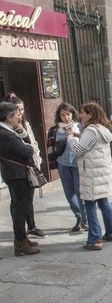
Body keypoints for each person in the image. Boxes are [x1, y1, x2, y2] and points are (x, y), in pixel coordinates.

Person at [68, 102, 112, 250]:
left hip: (92, 175)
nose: (81, 115)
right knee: (104, 202)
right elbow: (91, 145)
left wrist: (71, 139)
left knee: (90, 204)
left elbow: (78, 151)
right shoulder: (101, 129)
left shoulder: (91, 131)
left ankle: (94, 239)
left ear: (91, 114)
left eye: (83, 112)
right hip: (101, 174)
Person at [0, 102, 41, 256]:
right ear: (9, 117)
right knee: (20, 208)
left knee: (18, 206)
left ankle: (22, 238)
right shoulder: (5, 134)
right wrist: (28, 146)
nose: (20, 117)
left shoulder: (9, 130)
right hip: (17, 175)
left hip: (14, 174)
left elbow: (27, 143)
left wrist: (22, 133)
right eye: (17, 114)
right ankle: (20, 241)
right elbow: (27, 150)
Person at [5, 93, 46, 238]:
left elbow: (32, 144)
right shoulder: (8, 130)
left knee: (26, 200)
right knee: (19, 202)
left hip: (30, 164)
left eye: (22, 110)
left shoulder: (24, 124)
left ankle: (30, 226)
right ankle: (22, 233)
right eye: (17, 110)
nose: (20, 114)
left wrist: (37, 158)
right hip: (18, 170)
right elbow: (26, 148)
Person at [47, 102, 88, 232]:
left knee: (80, 192)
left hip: (77, 164)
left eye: (68, 114)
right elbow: (50, 147)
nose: (66, 117)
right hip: (62, 164)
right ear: (59, 116)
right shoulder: (55, 129)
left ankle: (85, 219)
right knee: (69, 193)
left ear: (72, 114)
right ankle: (78, 217)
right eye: (63, 115)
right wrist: (53, 161)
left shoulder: (79, 127)